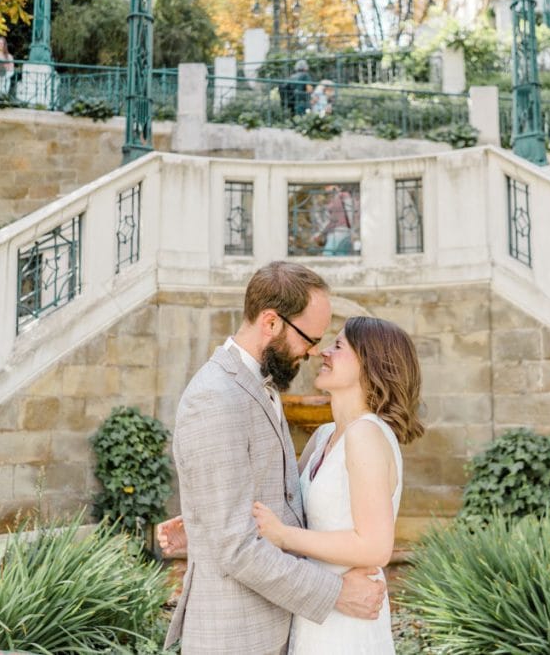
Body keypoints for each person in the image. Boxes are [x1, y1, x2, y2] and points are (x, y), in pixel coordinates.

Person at [159, 262, 386, 654]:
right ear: (270, 322)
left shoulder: (258, 382)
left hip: (275, 628)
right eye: (309, 338)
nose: (314, 352)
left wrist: (202, 518)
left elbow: (266, 496)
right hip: (235, 638)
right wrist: (337, 592)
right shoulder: (214, 397)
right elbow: (237, 548)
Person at [252, 316, 424, 653]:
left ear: (370, 364)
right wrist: (207, 520)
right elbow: (282, 503)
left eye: (339, 345)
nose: (322, 352)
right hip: (319, 606)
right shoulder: (324, 436)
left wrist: (283, 536)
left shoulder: (366, 435)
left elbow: (375, 547)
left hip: (348, 625)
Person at [312, 186, 358, 256]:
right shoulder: (330, 200)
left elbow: (350, 213)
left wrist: (353, 231)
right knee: (341, 256)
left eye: (328, 186)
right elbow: (328, 221)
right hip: (334, 233)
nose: (326, 188)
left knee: (327, 254)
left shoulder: (344, 195)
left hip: (341, 231)